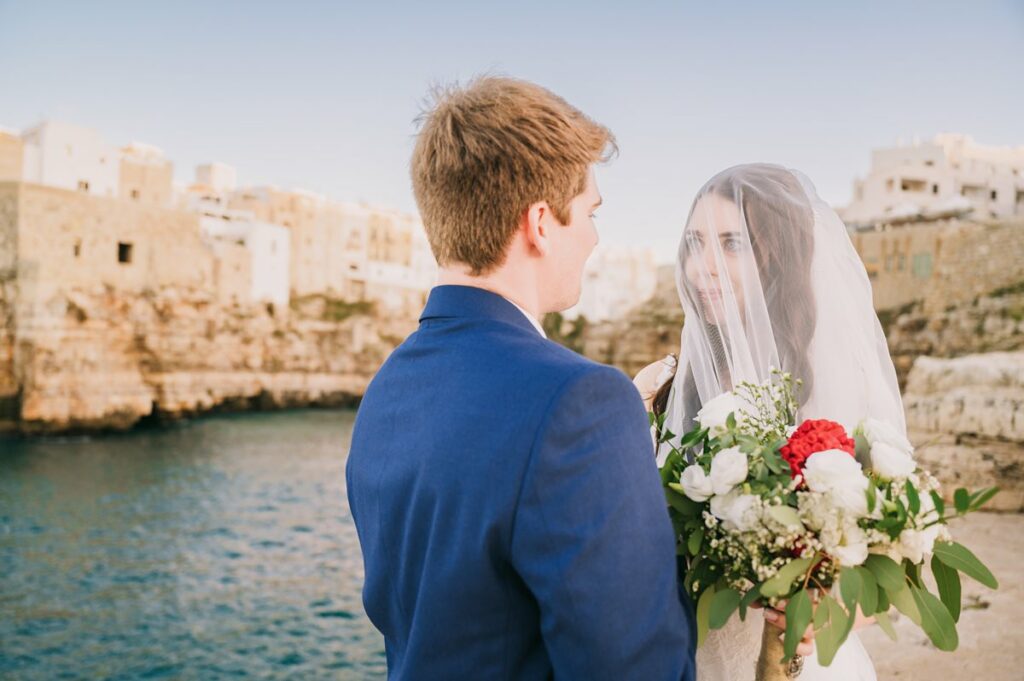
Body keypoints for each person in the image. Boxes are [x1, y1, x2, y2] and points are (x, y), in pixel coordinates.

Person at [346, 76, 697, 680]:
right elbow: (634, 664)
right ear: (540, 222)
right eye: (589, 212)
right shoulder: (580, 401)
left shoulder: (388, 386)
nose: (593, 237)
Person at [635, 163, 902, 680]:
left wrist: (826, 614)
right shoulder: (671, 386)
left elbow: (881, 564)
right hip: (690, 658)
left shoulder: (826, 378)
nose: (702, 266)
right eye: (695, 243)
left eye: (732, 243)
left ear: (777, 254)